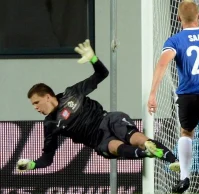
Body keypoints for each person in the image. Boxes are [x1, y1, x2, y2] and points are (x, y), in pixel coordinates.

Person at [16, 39, 180, 173]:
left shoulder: (72, 93)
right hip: (98, 140)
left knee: (135, 138)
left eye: (36, 102)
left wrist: (93, 59)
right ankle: (147, 151)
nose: (36, 108)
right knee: (114, 146)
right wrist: (31, 165)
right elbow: (47, 159)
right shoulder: (50, 124)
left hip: (108, 119)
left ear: (47, 96)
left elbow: (102, 74)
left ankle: (172, 160)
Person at [147, 1, 199, 193]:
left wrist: (153, 94)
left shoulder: (175, 40)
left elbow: (162, 64)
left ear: (179, 18)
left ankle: (184, 177)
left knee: (186, 133)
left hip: (187, 97)